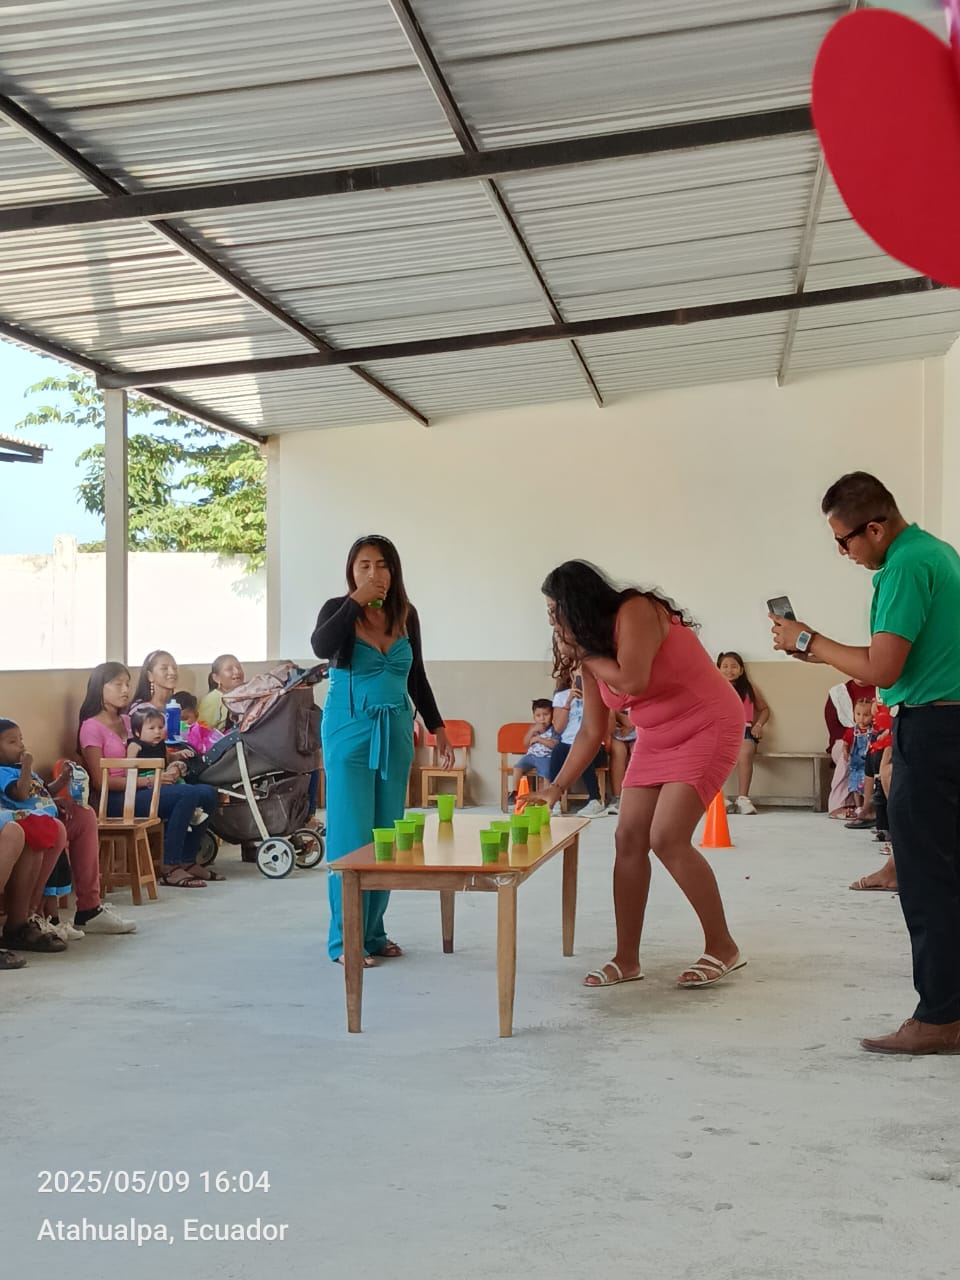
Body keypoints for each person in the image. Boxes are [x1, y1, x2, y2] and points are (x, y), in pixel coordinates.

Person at [771, 471, 960, 1054]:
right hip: (945, 723)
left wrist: (808, 641)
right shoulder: (936, 553)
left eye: (844, 540)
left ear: (874, 529)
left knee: (927, 882)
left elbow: (883, 669)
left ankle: (940, 1018)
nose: (843, 552)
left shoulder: (904, 566)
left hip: (932, 730)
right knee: (944, 871)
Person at [524, 561, 745, 990]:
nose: (552, 622)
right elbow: (592, 731)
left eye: (555, 610)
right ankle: (626, 958)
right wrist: (555, 788)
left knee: (667, 837)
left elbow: (635, 680)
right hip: (658, 736)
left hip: (708, 724)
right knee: (627, 837)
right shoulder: (591, 657)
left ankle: (723, 946)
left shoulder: (636, 610)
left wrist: (584, 654)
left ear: (577, 603)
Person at [310, 535, 452, 966]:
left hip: (395, 730)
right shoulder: (337, 609)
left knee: (386, 835)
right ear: (352, 571)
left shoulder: (407, 615)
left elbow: (417, 675)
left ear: (395, 571)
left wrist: (438, 727)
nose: (374, 573)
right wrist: (356, 601)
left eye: (382, 565)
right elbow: (321, 647)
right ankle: (345, 940)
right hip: (349, 728)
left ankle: (373, 932)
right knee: (351, 836)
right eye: (365, 565)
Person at [78, 663, 221, 888]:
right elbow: (100, 781)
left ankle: (187, 859)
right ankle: (170, 867)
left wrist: (172, 763)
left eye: (127, 684)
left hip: (145, 790)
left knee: (208, 793)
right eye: (118, 684)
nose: (125, 690)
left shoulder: (129, 721)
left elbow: (152, 751)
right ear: (100, 688)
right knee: (186, 794)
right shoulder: (91, 727)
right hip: (117, 798)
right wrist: (152, 780)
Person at [0, 716, 135, 938]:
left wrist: (61, 782)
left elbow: (41, 791)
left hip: (43, 815)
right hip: (20, 823)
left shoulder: (22, 771)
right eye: (12, 742)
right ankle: (31, 916)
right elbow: (19, 795)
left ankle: (89, 910)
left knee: (84, 815)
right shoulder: (9, 772)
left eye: (20, 739)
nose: (21, 746)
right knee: (49, 829)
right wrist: (26, 767)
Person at [717, 651, 770, 815]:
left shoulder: (749, 688)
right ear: (718, 669)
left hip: (745, 730)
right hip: (721, 732)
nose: (729, 670)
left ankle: (743, 798)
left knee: (745, 752)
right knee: (713, 754)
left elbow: (764, 709)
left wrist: (758, 725)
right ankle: (719, 798)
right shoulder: (714, 688)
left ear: (741, 670)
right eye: (725, 666)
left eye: (734, 666)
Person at [550, 668, 607, 818]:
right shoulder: (561, 696)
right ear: (570, 674)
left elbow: (608, 726)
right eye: (576, 671)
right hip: (567, 744)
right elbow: (558, 728)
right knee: (558, 750)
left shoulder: (597, 693)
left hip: (595, 745)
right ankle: (554, 800)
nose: (580, 673)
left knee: (585, 750)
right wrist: (568, 702)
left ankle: (595, 800)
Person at [825, 678, 876, 816]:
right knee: (847, 756)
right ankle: (840, 805)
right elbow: (835, 730)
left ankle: (875, 807)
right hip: (844, 743)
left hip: (874, 740)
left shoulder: (882, 690)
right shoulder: (838, 693)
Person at [507, 698, 559, 806]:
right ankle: (515, 792)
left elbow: (554, 745)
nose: (542, 718)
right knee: (517, 767)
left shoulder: (554, 729)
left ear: (552, 715)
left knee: (546, 774)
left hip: (546, 757)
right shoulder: (533, 728)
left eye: (546, 715)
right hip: (531, 756)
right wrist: (531, 731)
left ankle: (546, 797)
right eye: (538, 715)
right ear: (534, 717)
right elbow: (526, 743)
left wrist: (539, 739)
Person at [841, 697, 875, 813]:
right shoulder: (852, 731)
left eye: (866, 715)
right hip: (856, 765)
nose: (861, 718)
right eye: (858, 714)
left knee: (868, 786)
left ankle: (867, 805)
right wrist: (845, 751)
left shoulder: (873, 730)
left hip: (868, 764)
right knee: (855, 785)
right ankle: (858, 806)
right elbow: (845, 744)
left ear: (872, 716)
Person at [197, 654, 245, 732]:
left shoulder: (248, 695)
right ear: (216, 678)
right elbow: (203, 731)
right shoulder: (211, 699)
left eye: (239, 667)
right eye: (229, 669)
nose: (237, 671)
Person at [605, 709, 636, 816]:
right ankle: (618, 798)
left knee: (636, 754)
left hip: (640, 730)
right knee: (618, 753)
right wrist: (619, 717)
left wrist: (632, 725)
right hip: (617, 731)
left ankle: (635, 797)